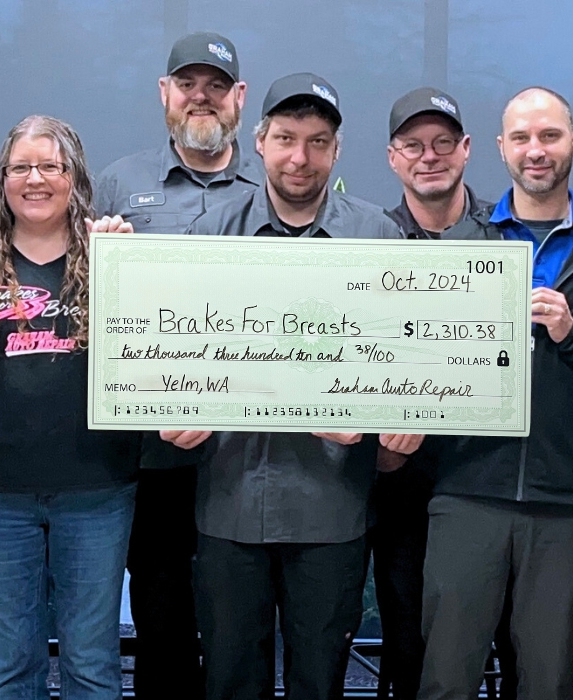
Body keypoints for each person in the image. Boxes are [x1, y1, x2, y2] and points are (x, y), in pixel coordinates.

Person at [165, 72, 413, 700]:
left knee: (319, 681)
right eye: (285, 139)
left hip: (331, 508)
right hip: (229, 502)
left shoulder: (378, 237)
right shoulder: (208, 236)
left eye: (317, 141)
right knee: (228, 680)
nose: (300, 158)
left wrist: (387, 416)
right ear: (260, 141)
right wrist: (167, 411)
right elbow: (173, 351)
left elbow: (408, 360)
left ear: (336, 149)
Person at [421, 86, 573, 700]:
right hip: (466, 495)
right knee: (446, 679)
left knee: (548, 684)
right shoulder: (461, 246)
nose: (537, 150)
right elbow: (421, 356)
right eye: (523, 138)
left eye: (550, 136)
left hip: (567, 505)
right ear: (501, 148)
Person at [0, 115, 140, 700]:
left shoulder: (115, 256)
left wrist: (127, 263)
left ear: (75, 178)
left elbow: (153, 363)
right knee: (13, 665)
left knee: (91, 662)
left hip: (97, 491)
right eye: (21, 167)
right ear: (2, 179)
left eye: (51, 166)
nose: (35, 179)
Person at [93, 31, 262, 698]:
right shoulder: (117, 184)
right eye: (187, 85)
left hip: (249, 452)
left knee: (242, 623)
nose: (201, 97)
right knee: (161, 617)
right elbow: (93, 314)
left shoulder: (274, 187)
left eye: (216, 86)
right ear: (164, 95)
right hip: (154, 455)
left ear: (239, 99)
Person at [377, 86, 496, 700]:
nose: (430, 156)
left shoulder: (504, 239)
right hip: (400, 488)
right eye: (414, 145)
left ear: (466, 150)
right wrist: (384, 453)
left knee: (489, 655)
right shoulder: (366, 242)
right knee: (409, 652)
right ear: (393, 157)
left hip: (489, 484)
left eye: (443, 143)